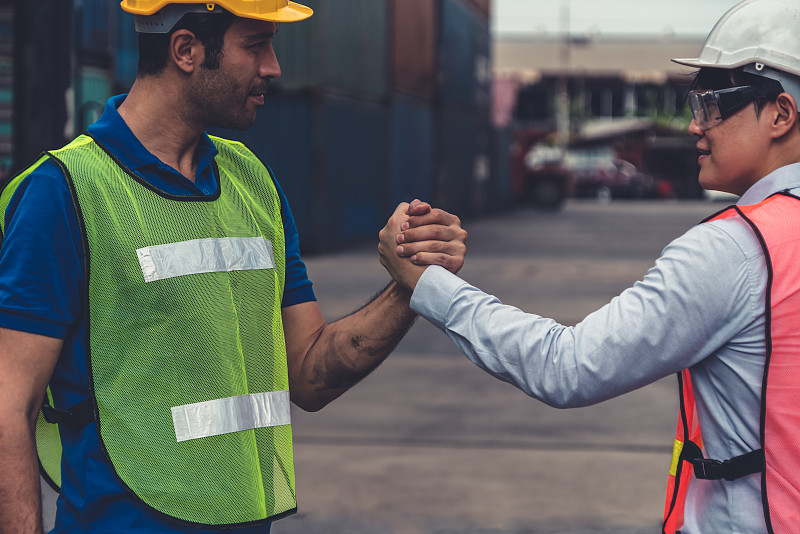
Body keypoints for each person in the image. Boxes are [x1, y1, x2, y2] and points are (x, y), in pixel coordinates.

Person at [0, 1, 467, 533]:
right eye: (255, 44)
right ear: (185, 50)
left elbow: (309, 374)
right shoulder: (64, 193)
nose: (273, 67)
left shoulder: (253, 183)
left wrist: (410, 287)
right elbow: (9, 406)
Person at [380, 1, 800, 532]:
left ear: (781, 114)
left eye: (713, 104)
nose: (696, 125)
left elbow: (568, 367)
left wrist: (429, 284)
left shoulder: (736, 251)